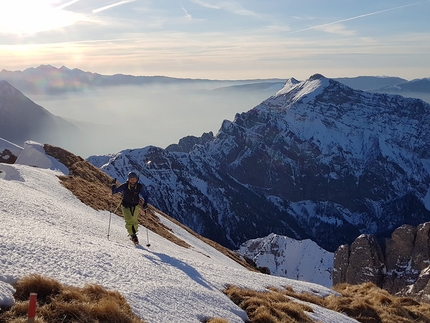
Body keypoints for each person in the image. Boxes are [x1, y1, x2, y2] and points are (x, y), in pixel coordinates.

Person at [112, 171, 149, 244]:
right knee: (129, 220)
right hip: (125, 205)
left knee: (134, 221)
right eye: (131, 179)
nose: (132, 181)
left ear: (136, 179)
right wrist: (113, 185)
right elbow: (114, 191)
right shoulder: (125, 186)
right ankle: (133, 235)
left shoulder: (139, 187)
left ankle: (134, 234)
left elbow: (145, 195)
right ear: (128, 179)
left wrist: (145, 204)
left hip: (135, 206)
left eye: (134, 179)